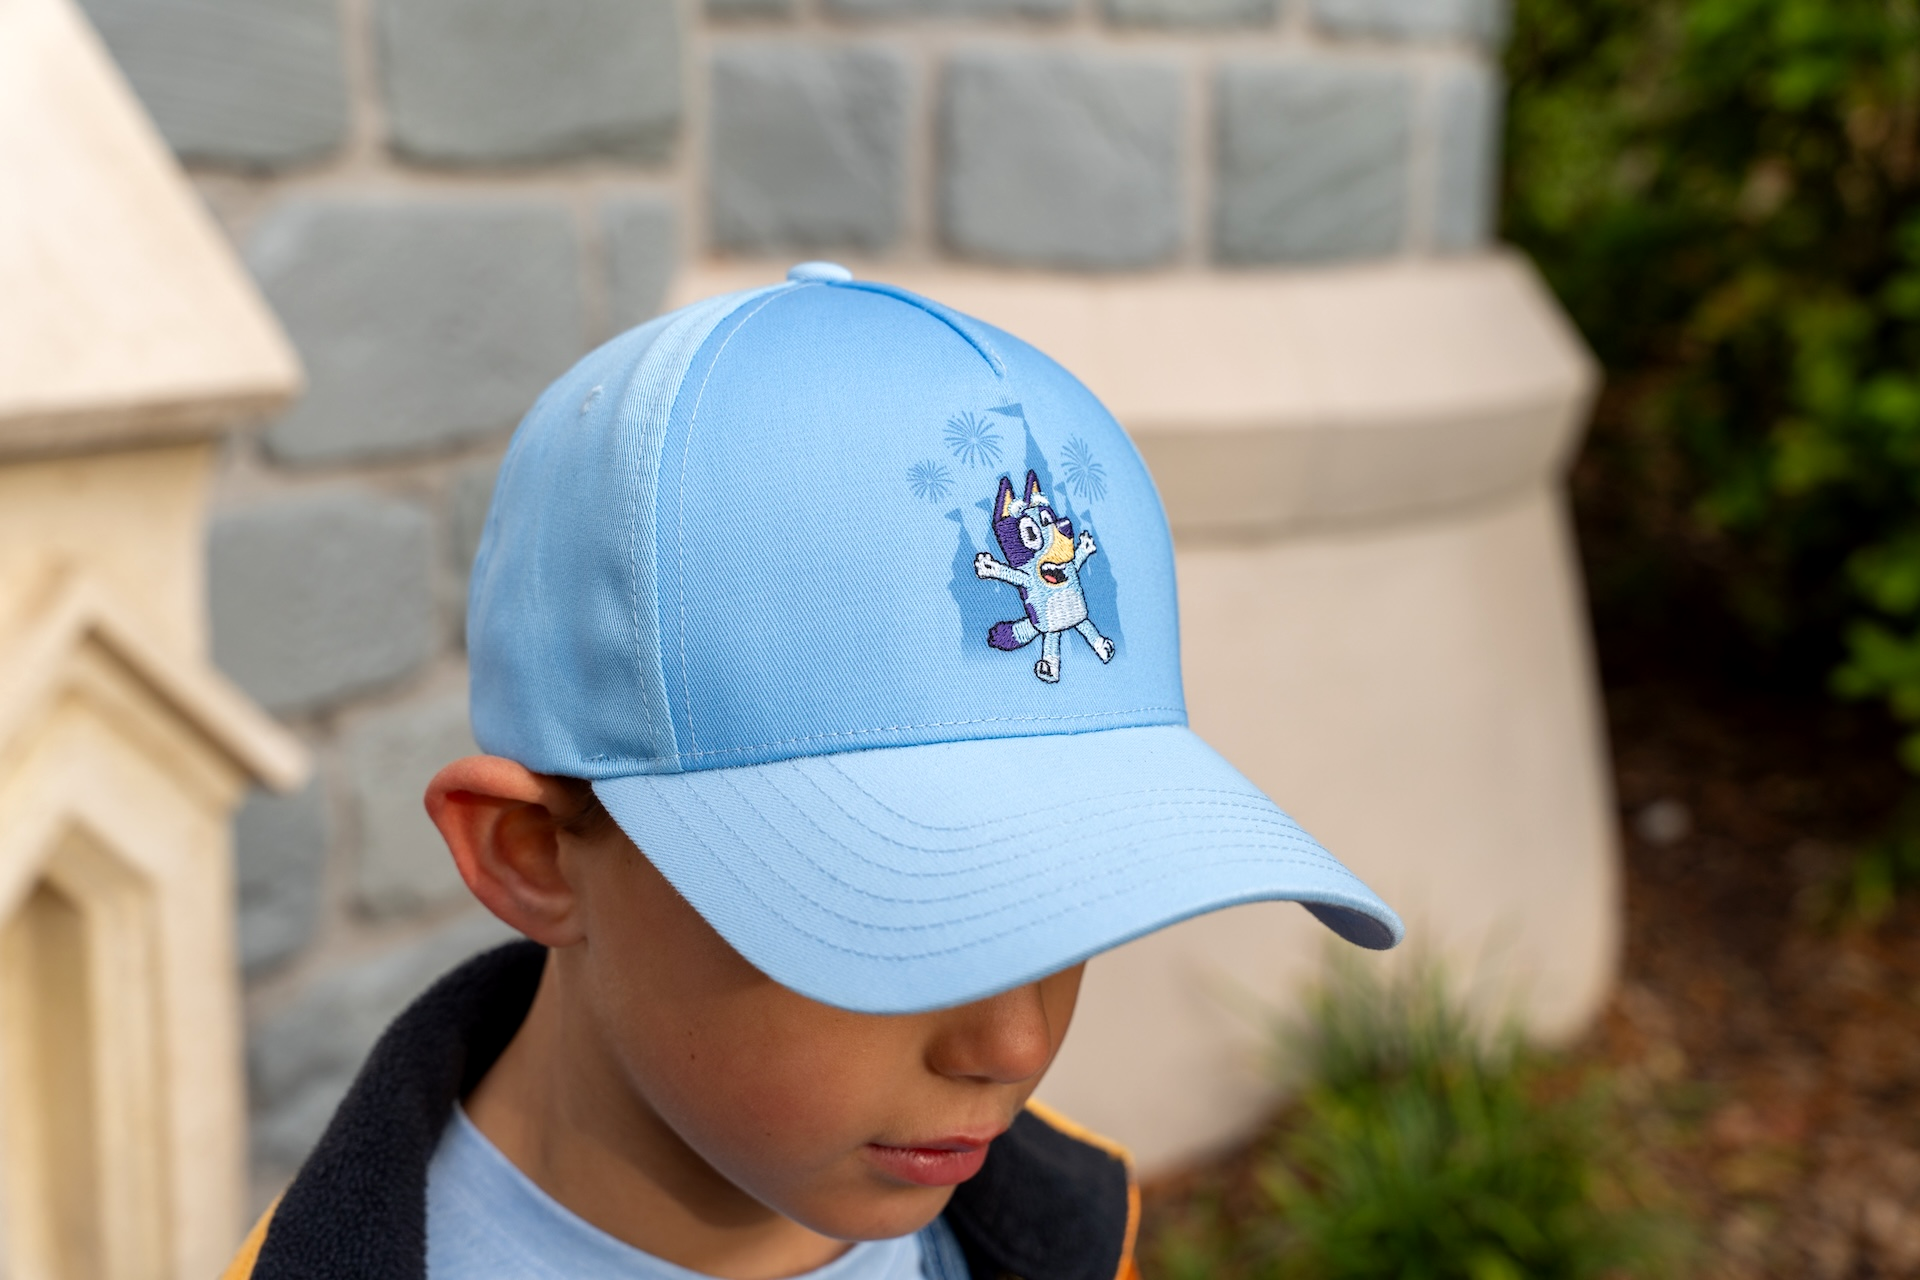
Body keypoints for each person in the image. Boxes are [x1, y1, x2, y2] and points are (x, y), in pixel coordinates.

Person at [223, 262, 1403, 1280]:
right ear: (531, 855)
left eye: (1067, 901)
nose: (1014, 1045)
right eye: (904, 913)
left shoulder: (1067, 1233)